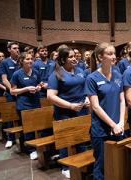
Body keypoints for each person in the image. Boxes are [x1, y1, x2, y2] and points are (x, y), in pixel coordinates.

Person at [47, 45, 90, 178]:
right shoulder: (56, 74)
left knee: (81, 138)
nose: (74, 59)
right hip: (65, 111)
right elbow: (51, 96)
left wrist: (88, 98)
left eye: (74, 56)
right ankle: (65, 166)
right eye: (70, 57)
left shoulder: (80, 70)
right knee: (66, 140)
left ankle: (82, 162)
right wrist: (70, 105)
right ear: (63, 59)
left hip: (81, 110)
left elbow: (86, 87)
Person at [86, 42, 125, 180]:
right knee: (101, 166)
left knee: (118, 162)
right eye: (110, 54)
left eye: (114, 53)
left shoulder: (118, 75)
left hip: (118, 127)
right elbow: (95, 107)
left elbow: (122, 101)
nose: (114, 56)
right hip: (101, 130)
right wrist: (113, 125)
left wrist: (120, 122)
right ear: (100, 57)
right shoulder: (92, 78)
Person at [10, 52, 41, 160]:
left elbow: (38, 84)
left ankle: (38, 147)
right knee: (28, 128)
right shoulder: (17, 74)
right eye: (27, 59)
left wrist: (38, 88)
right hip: (23, 104)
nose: (30, 61)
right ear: (21, 61)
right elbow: (12, 91)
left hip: (35, 102)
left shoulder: (36, 72)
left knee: (37, 126)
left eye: (31, 59)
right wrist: (26, 89)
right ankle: (31, 150)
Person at [0, 42, 20, 148]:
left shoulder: (21, 61)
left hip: (21, 93)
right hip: (11, 94)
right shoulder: (4, 62)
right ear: (9, 50)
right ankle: (10, 138)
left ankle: (22, 138)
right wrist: (12, 90)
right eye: (14, 48)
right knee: (11, 116)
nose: (17, 50)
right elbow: (4, 79)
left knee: (22, 115)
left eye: (18, 48)